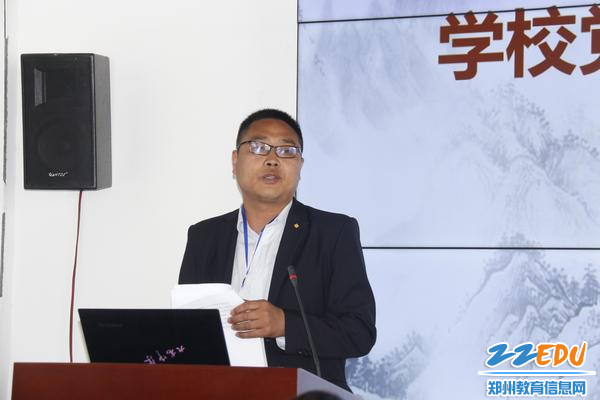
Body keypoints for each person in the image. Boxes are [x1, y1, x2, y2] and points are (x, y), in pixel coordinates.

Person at [178, 109, 376, 390]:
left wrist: (284, 324)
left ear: (300, 166)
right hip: (219, 391)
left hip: (303, 393)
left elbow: (359, 332)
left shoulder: (333, 232)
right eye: (258, 147)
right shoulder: (204, 237)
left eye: (286, 150)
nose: (272, 159)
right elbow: (186, 331)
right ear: (235, 161)